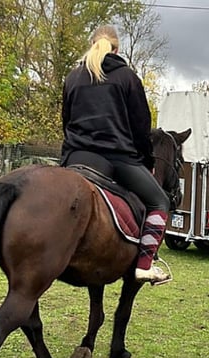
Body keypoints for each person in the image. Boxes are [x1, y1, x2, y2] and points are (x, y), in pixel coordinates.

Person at [61, 24, 171, 285]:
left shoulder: (72, 77)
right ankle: (145, 265)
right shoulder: (127, 77)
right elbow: (141, 128)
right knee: (159, 201)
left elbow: (66, 123)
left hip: (76, 158)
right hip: (116, 159)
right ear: (117, 48)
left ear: (92, 44)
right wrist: (147, 162)